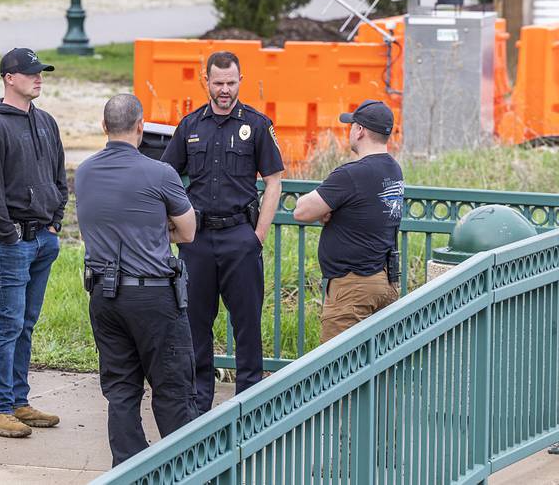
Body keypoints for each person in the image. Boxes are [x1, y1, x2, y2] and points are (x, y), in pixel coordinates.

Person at [75, 94, 198, 466]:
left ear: (103, 127)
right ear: (141, 127)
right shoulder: (160, 173)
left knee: (121, 389)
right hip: (154, 296)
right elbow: (189, 232)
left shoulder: (84, 171)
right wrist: (158, 231)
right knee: (172, 388)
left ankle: (128, 468)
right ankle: (186, 468)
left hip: (104, 295)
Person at [161, 51, 285, 415]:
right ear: (207, 81)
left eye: (231, 82)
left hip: (240, 238)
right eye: (219, 83)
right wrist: (173, 227)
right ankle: (199, 403)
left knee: (246, 323)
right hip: (197, 241)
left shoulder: (257, 125)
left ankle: (249, 402)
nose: (225, 90)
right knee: (195, 322)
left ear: (240, 81)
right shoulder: (190, 126)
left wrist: (258, 235)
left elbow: (274, 182)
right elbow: (165, 178)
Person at [0, 48, 67, 438]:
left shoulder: (46, 122)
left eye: (41, 72)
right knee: (9, 323)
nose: (38, 78)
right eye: (30, 73)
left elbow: (59, 177)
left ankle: (19, 402)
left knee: (25, 323)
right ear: (9, 78)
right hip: (9, 243)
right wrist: (8, 233)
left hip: (43, 239)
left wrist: (54, 222)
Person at [293, 100, 403, 343]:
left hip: (353, 287)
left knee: (337, 368)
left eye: (351, 125)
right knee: (376, 366)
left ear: (360, 130)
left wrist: (326, 208)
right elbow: (364, 209)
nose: (350, 130)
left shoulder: (351, 174)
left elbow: (301, 211)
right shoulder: (394, 170)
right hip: (385, 281)